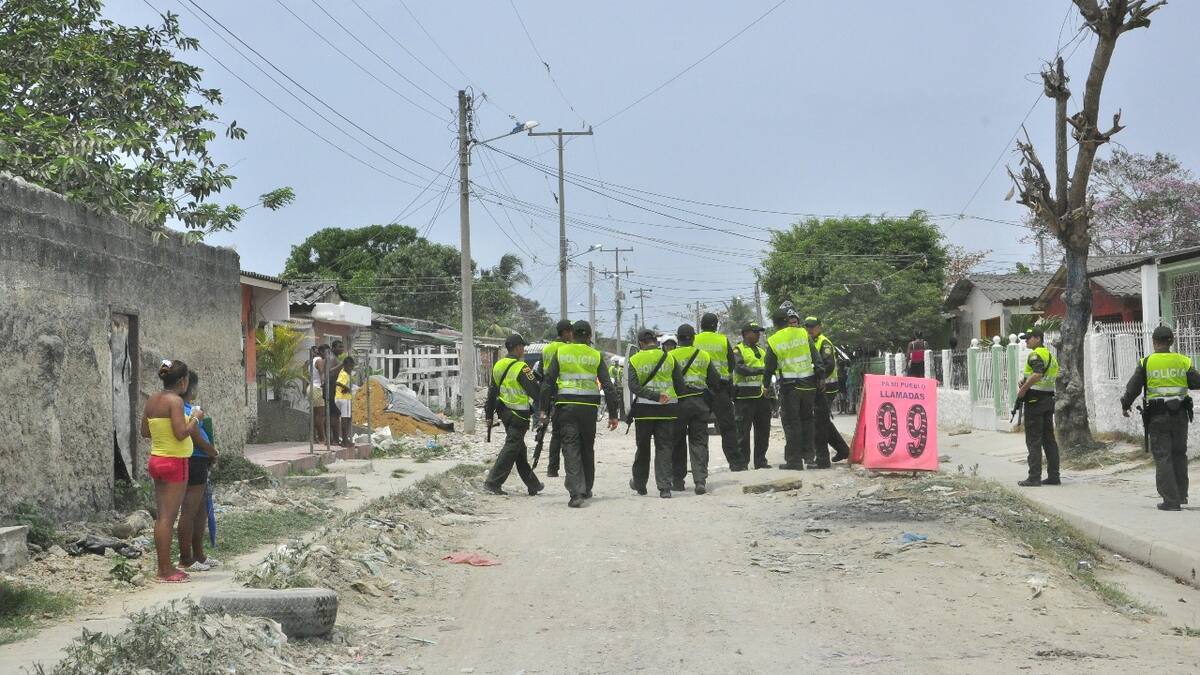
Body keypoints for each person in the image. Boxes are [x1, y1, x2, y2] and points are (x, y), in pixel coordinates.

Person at [538, 321, 619, 507]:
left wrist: (543, 409)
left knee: (570, 447)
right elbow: (608, 386)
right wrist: (613, 414)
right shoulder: (595, 355)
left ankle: (576, 494)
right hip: (589, 408)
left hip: (566, 407)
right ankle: (586, 488)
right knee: (587, 447)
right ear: (589, 336)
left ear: (572, 335)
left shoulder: (561, 352)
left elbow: (548, 382)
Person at [1120, 325, 1198, 510]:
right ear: (1171, 342)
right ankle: (1181, 496)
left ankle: (1171, 501)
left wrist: (1125, 404)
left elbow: (1133, 387)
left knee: (1163, 456)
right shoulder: (1183, 361)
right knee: (1179, 455)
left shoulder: (1146, 362)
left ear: (1154, 341)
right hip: (1180, 415)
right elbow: (1196, 382)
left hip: (1158, 416)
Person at [140, 359, 202, 583]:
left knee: (162, 517)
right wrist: (195, 419)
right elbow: (181, 433)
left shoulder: (152, 400)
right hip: (174, 462)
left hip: (157, 459)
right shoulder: (175, 401)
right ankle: (165, 570)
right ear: (183, 381)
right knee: (168, 518)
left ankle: (164, 566)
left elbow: (145, 431)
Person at [627, 329, 687, 498]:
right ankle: (665, 488)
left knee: (643, 448)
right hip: (667, 410)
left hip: (644, 411)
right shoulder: (670, 358)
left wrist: (653, 396)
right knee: (664, 448)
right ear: (655, 340)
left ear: (640, 343)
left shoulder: (634, 359)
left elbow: (633, 386)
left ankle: (640, 484)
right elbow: (680, 386)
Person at [483, 334, 546, 496]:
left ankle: (533, 484)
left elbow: (492, 392)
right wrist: (543, 407)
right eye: (523, 347)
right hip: (519, 414)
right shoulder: (522, 368)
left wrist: (488, 414)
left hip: (504, 413)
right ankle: (493, 482)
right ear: (517, 348)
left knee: (519, 449)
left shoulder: (498, 365)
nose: (524, 350)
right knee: (512, 447)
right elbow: (535, 392)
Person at [762, 309, 824, 470]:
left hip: (790, 388)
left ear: (775, 324)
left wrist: (766, 385)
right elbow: (816, 356)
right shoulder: (803, 333)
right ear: (787, 320)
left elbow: (769, 367)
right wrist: (821, 377)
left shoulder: (774, 340)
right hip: (809, 385)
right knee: (808, 421)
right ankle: (809, 458)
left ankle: (794, 460)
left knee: (791, 423)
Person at [669, 324, 723, 494]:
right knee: (699, 441)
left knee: (677, 442)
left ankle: (678, 481)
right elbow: (715, 379)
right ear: (693, 338)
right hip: (700, 403)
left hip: (678, 404)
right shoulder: (704, 355)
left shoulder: (670, 356)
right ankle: (700, 481)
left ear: (677, 338)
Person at [695, 313, 747, 471]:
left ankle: (701, 467)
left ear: (701, 325)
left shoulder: (694, 340)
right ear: (716, 325)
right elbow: (731, 364)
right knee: (728, 428)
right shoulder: (723, 340)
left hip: (700, 390)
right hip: (720, 389)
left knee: (699, 430)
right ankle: (736, 463)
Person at [179, 370, 219, 572]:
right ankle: (186, 558)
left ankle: (199, 555)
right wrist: (212, 451)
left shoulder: (189, 408)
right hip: (193, 459)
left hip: (200, 461)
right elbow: (194, 436)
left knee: (201, 511)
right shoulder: (184, 409)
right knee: (190, 511)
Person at [1016, 328, 1061, 487]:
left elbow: (1037, 374)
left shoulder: (1035, 354)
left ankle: (1034, 477)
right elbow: (1042, 375)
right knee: (1049, 440)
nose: (1026, 341)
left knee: (1033, 440)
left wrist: (1023, 389)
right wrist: (1025, 380)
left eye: (1028, 338)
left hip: (1035, 402)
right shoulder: (1050, 356)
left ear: (1038, 338)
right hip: (1048, 400)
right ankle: (1054, 476)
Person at [806, 317, 850, 466]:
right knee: (822, 421)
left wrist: (819, 378)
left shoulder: (824, 342)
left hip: (827, 387)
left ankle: (822, 459)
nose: (810, 330)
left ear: (819, 327)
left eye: (813, 327)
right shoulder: (809, 342)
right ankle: (843, 450)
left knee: (819, 423)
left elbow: (829, 365)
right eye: (807, 327)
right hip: (817, 387)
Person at [733, 322, 772, 469]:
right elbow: (740, 368)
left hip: (762, 397)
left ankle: (760, 461)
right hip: (744, 397)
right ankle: (743, 462)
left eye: (758, 332)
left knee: (763, 430)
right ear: (745, 333)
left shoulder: (761, 351)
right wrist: (761, 370)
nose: (758, 335)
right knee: (743, 432)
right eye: (755, 332)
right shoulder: (738, 350)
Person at [542, 319, 574, 478]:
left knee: (555, 433)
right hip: (563, 392)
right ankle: (571, 468)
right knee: (567, 432)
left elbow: (544, 373)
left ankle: (552, 468)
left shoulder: (546, 348)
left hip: (549, 393)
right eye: (571, 332)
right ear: (566, 332)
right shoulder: (566, 349)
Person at [308, 345, 330, 443]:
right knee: (320, 415)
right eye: (327, 352)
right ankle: (322, 438)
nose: (328, 355)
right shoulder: (319, 360)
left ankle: (313, 437)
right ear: (321, 352)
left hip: (312, 387)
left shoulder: (311, 361)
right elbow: (322, 375)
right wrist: (325, 387)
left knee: (314, 415)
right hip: (317, 388)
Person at [335, 357, 355, 448]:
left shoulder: (345, 373)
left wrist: (345, 388)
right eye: (349, 366)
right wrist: (347, 388)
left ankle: (345, 439)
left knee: (348, 418)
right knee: (345, 419)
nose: (351, 368)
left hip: (343, 397)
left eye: (352, 366)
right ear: (345, 365)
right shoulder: (344, 373)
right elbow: (338, 383)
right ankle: (344, 441)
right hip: (343, 398)